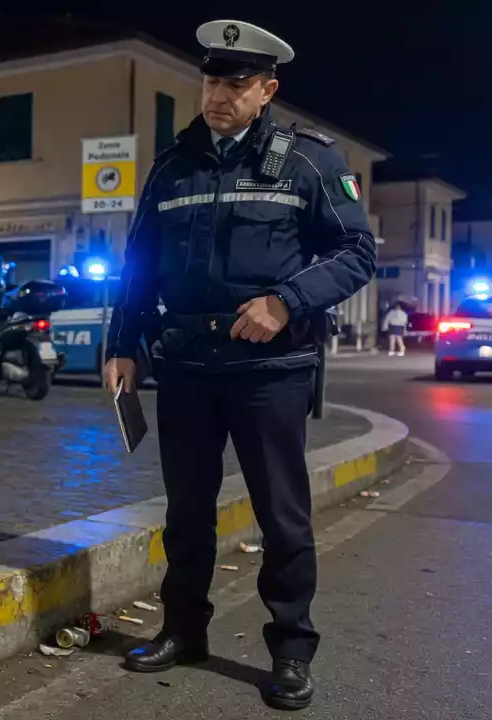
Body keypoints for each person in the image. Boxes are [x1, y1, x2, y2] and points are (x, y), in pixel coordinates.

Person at [102, 20, 376, 711]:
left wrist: (286, 302)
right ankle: (183, 631)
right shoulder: (174, 165)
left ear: (267, 89)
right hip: (188, 366)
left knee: (283, 518)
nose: (219, 95)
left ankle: (290, 650)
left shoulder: (309, 160)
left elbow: (356, 254)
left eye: (236, 83)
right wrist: (123, 343)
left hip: (269, 371)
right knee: (187, 513)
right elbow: (138, 264)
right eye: (211, 80)